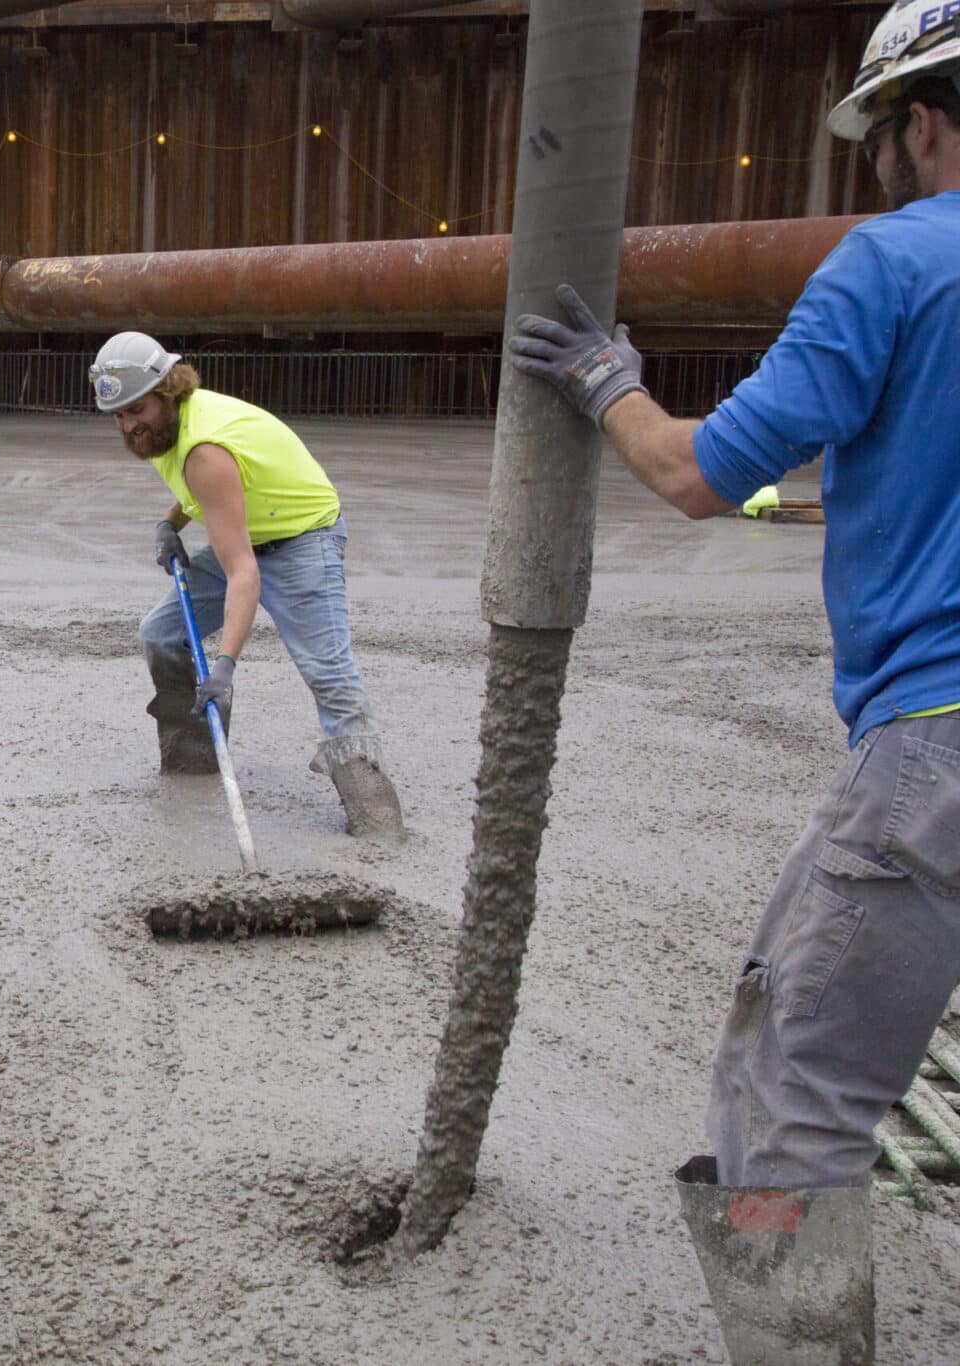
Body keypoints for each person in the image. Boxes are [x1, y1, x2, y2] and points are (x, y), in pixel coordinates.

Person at [507, 2, 960, 1354]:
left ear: (922, 120)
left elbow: (698, 472)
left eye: (881, 137)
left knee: (790, 1082)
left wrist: (605, 380)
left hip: (937, 735)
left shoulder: (895, 266)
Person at [90, 332, 404, 840]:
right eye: (119, 415)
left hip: (302, 541)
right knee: (161, 635)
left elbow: (243, 574)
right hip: (248, 530)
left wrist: (225, 668)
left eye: (137, 409)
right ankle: (193, 755)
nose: (129, 426)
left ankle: (378, 821)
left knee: (329, 675)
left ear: (167, 391)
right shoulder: (162, 431)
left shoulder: (203, 449)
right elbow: (205, 497)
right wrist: (172, 522)